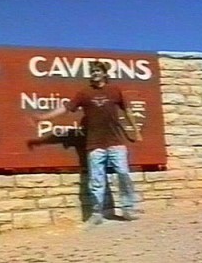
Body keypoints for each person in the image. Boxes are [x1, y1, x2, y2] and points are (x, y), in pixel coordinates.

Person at [32, 61, 142, 225]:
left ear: (105, 74)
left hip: (115, 142)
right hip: (94, 144)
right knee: (96, 180)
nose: (94, 73)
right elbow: (66, 108)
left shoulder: (114, 91)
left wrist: (136, 130)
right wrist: (43, 117)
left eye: (97, 71)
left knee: (123, 174)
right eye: (92, 71)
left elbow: (127, 111)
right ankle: (97, 213)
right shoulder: (84, 93)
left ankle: (128, 208)